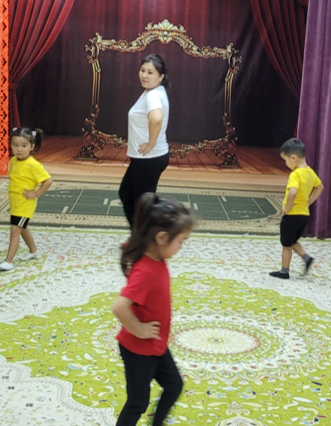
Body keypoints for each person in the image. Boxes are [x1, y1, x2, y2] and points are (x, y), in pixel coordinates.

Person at [112, 193, 193, 425]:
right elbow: (119, 307)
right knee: (137, 403)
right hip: (138, 350)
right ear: (161, 238)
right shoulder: (145, 270)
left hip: (155, 344)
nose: (181, 247)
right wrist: (138, 329)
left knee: (174, 385)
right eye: (181, 241)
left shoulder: (157, 258)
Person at [118, 53, 171, 229]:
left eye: (150, 72)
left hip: (149, 159)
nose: (144, 75)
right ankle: (139, 236)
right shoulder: (153, 92)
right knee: (127, 194)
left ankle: (148, 238)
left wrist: (150, 144)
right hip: (146, 159)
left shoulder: (153, 96)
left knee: (142, 205)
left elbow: (156, 118)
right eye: (142, 70)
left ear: (161, 76)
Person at [0, 127, 53, 271]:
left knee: (15, 230)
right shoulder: (13, 161)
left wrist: (36, 193)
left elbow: (48, 180)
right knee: (22, 228)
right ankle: (33, 251)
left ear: (32, 146)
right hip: (15, 203)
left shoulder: (33, 165)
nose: (19, 149)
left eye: (24, 146)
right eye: (15, 145)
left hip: (25, 204)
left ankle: (9, 261)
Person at [269, 138, 324, 279]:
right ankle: (306, 258)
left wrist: (287, 207)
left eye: (285, 160)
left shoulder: (295, 174)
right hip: (304, 215)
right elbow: (320, 187)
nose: (286, 163)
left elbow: (293, 192)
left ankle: (284, 271)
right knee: (292, 240)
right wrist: (309, 201)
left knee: (286, 245)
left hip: (292, 215)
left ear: (293, 158)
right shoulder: (310, 172)